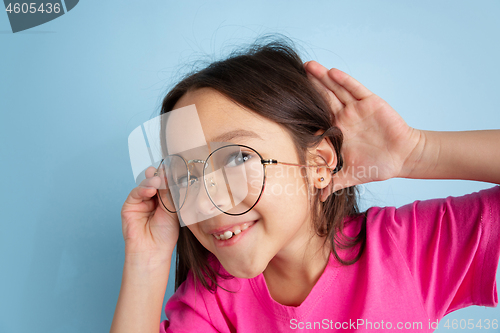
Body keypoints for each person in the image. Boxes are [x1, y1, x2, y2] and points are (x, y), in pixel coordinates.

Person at [110, 36, 500, 333]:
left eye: (237, 158)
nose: (208, 200)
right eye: (187, 176)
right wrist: (147, 260)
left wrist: (418, 152)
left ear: (318, 163)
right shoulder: (211, 304)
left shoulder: (406, 247)